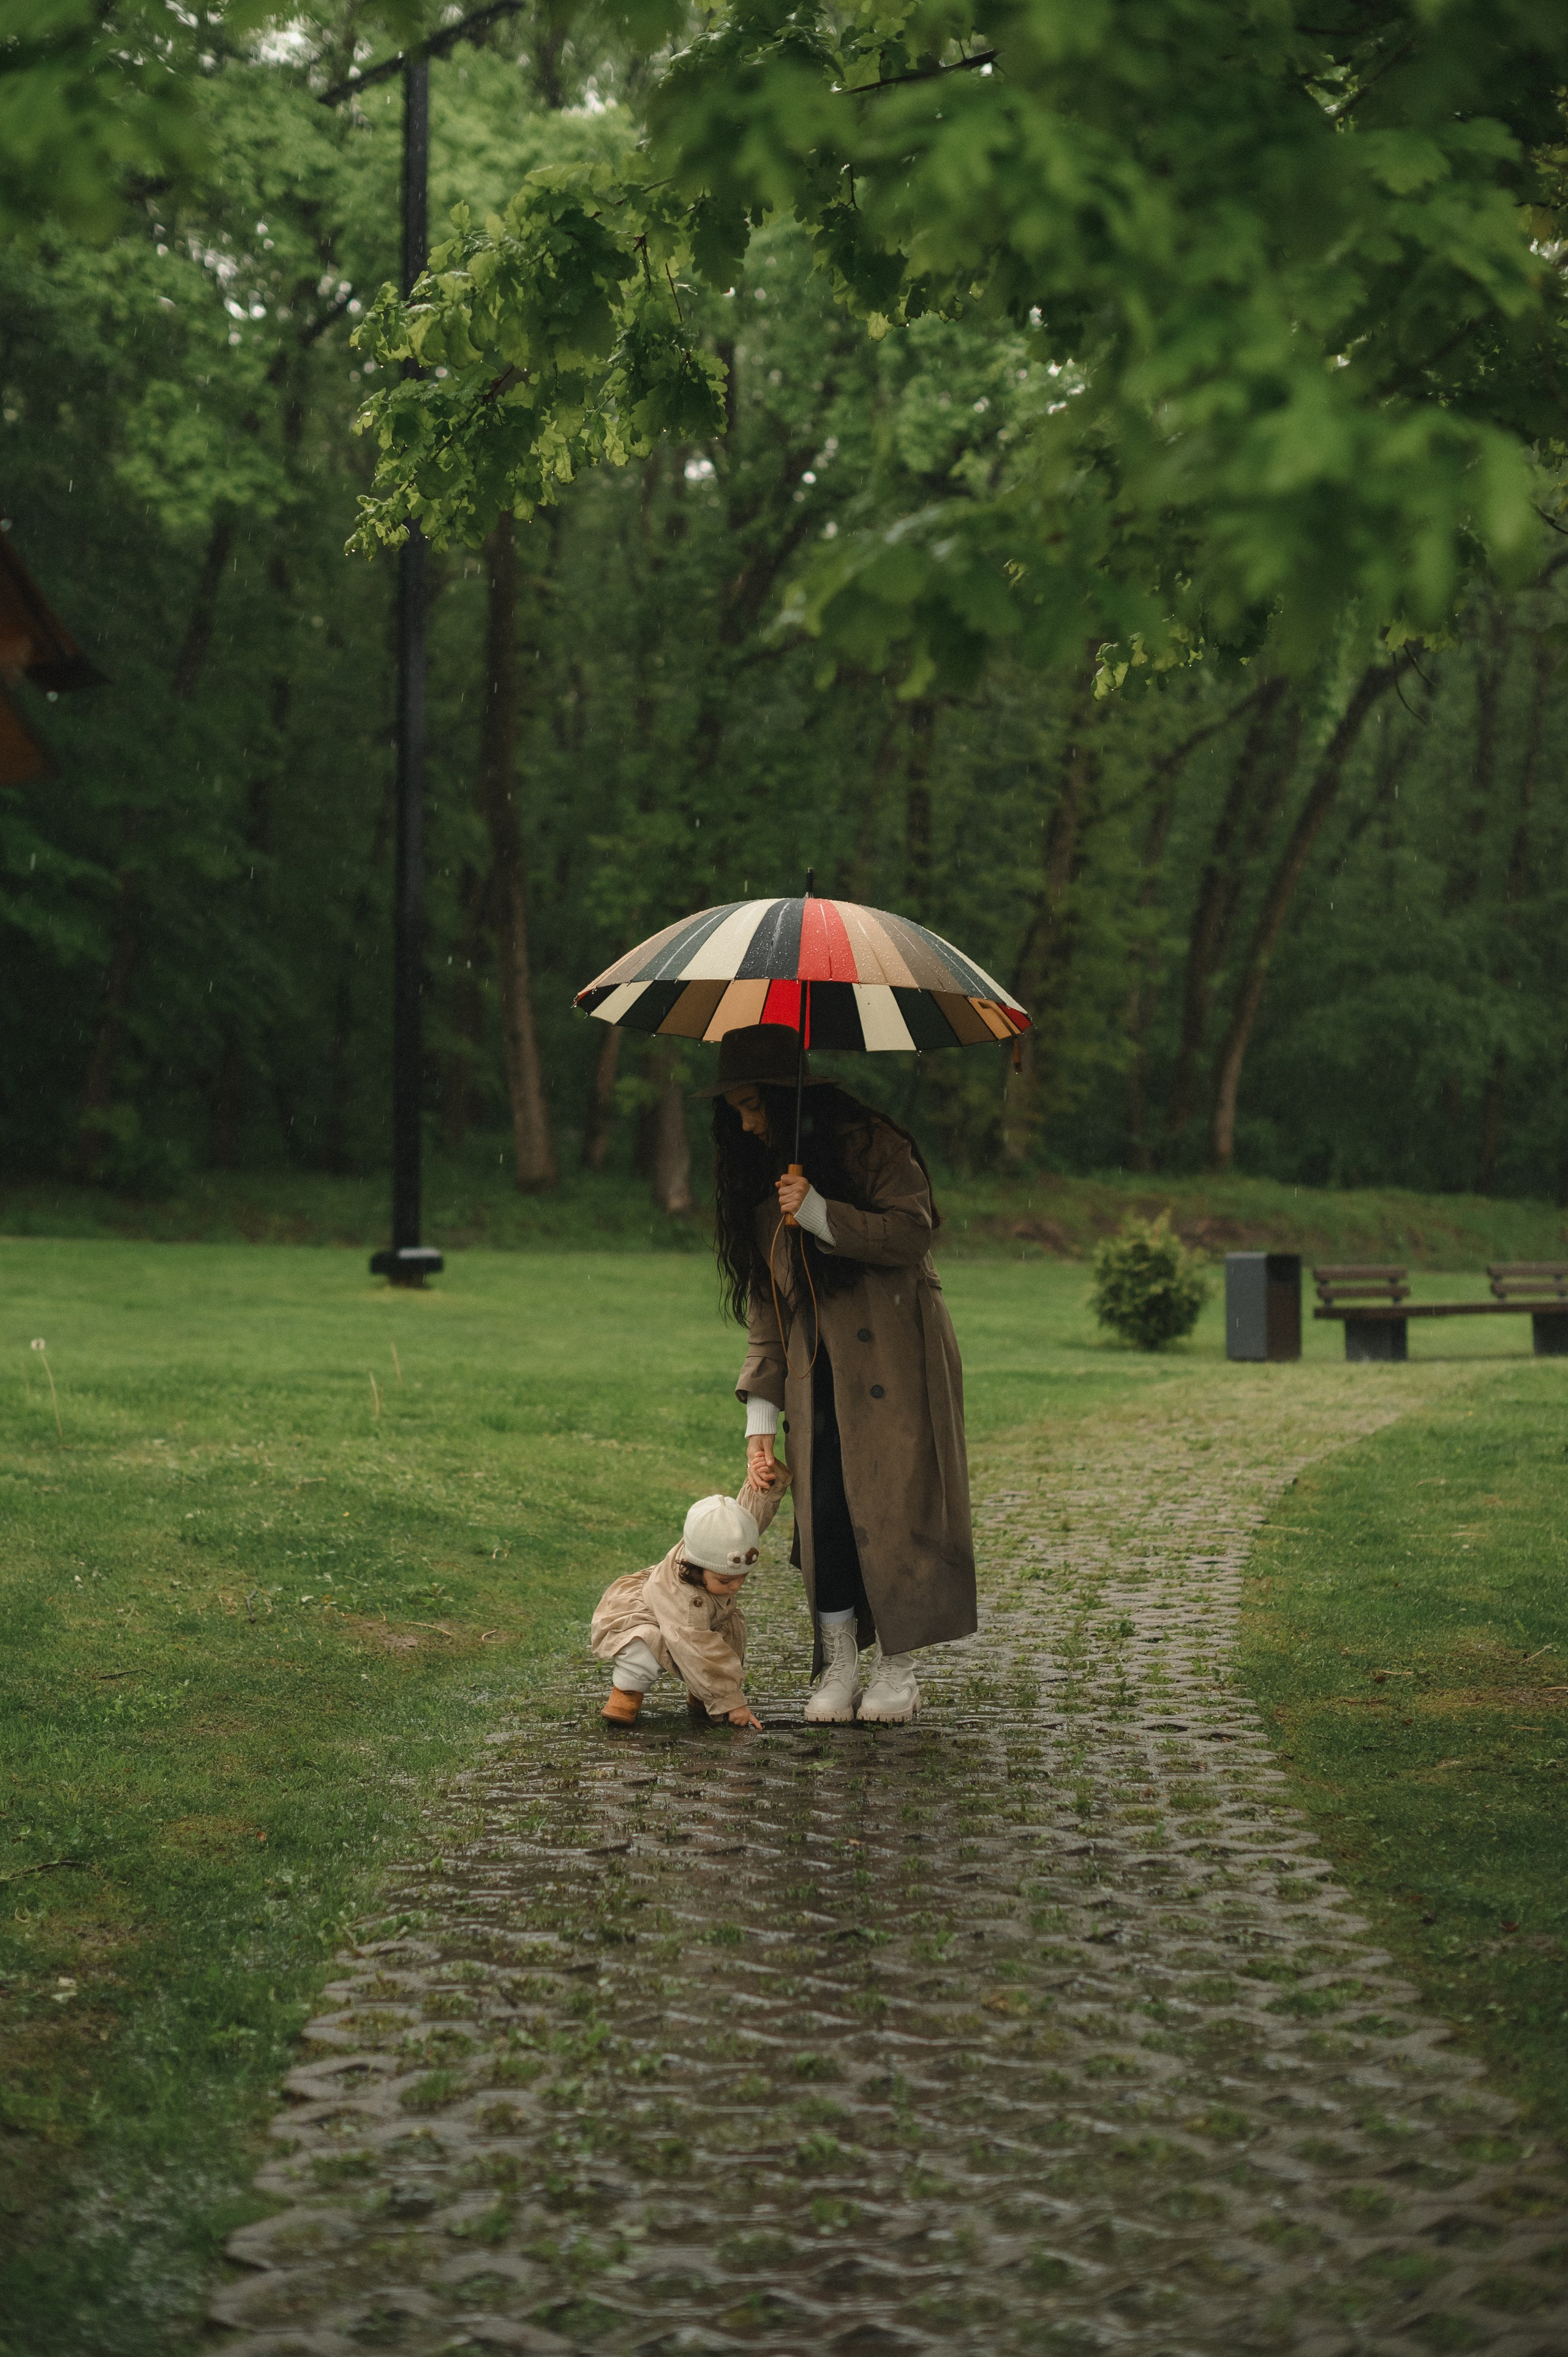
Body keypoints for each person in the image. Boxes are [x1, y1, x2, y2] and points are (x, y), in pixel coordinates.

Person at [702, 1023, 976, 1725]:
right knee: (825, 1509)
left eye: (753, 1105)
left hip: (899, 1359)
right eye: (735, 1110)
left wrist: (822, 1212)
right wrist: (760, 1424)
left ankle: (898, 1669)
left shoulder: (873, 1143)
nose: (746, 1123)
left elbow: (912, 1231)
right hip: (815, 1372)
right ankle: (840, 1661)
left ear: (784, 1096)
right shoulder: (758, 1177)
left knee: (896, 1503)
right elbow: (767, 1309)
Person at [591, 1482, 786, 1729]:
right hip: (647, 1617)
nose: (736, 1586)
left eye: (743, 1577)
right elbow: (697, 1648)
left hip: (692, 1627)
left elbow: (744, 1527)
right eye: (725, 1580)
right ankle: (627, 1692)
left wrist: (764, 1487)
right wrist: (731, 1702)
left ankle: (702, 1696)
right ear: (697, 1568)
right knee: (644, 1646)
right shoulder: (683, 1597)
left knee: (725, 1640)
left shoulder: (714, 1547)